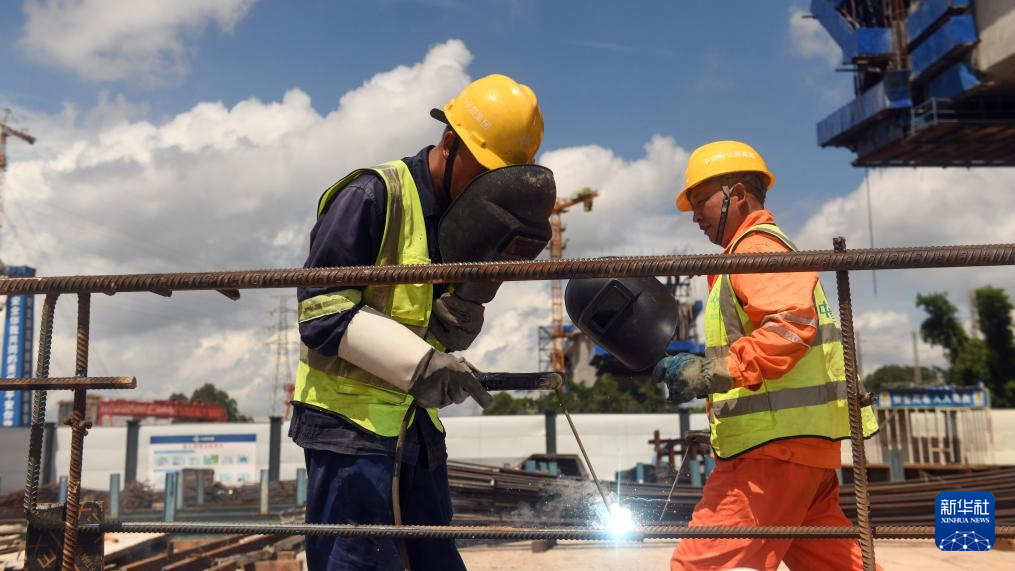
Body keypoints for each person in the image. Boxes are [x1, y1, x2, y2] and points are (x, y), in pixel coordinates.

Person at [290, 74, 543, 570]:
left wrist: (461, 314)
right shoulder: (372, 195)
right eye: (484, 173)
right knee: (358, 563)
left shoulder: (467, 222)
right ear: (449, 143)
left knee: (435, 561)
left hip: (415, 428)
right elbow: (320, 311)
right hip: (349, 431)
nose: (490, 191)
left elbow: (424, 322)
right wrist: (422, 363)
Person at [653, 140, 880, 571]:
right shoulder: (758, 252)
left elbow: (790, 328)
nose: (695, 215)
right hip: (799, 451)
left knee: (700, 566)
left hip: (770, 455)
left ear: (737, 194)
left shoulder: (755, 249)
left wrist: (711, 372)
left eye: (700, 201)